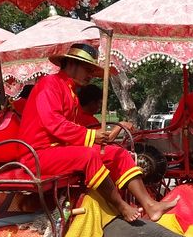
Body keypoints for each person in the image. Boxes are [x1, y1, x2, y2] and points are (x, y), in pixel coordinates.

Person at [19, 43, 177, 223]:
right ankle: (121, 206)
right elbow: (54, 123)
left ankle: (150, 204)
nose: (90, 75)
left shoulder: (71, 92)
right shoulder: (49, 84)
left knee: (118, 153)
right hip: (38, 155)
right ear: (72, 64)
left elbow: (75, 128)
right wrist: (92, 136)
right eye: (88, 69)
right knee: (88, 156)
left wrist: (97, 136)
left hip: (61, 150)